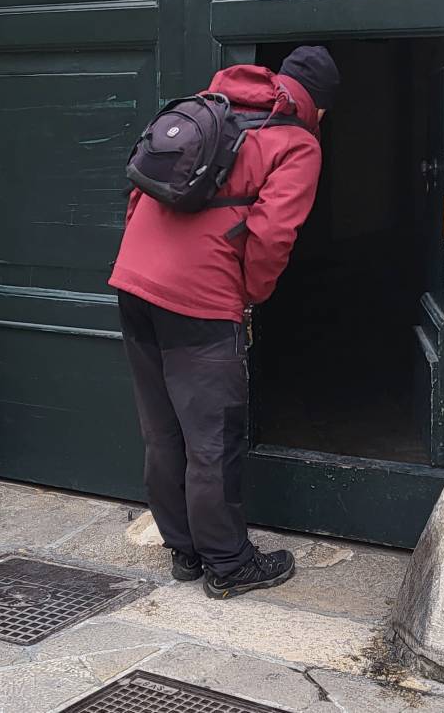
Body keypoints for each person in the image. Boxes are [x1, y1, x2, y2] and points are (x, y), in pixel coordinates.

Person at [109, 46, 339, 599]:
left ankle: (185, 550)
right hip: (201, 296)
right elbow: (272, 233)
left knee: (162, 428)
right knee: (213, 437)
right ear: (320, 106)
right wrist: (249, 294)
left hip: (134, 279)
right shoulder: (297, 142)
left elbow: (139, 188)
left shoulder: (212, 106)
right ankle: (229, 564)